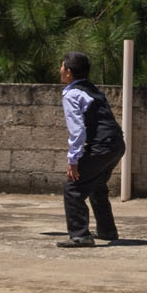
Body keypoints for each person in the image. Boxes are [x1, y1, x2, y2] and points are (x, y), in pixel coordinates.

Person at [57, 50, 125, 248]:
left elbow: (77, 131)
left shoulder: (72, 94)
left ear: (68, 72)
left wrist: (73, 160)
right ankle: (107, 230)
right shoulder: (91, 89)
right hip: (116, 144)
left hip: (102, 146)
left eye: (62, 66)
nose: (60, 70)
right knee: (96, 185)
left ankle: (80, 235)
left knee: (72, 187)